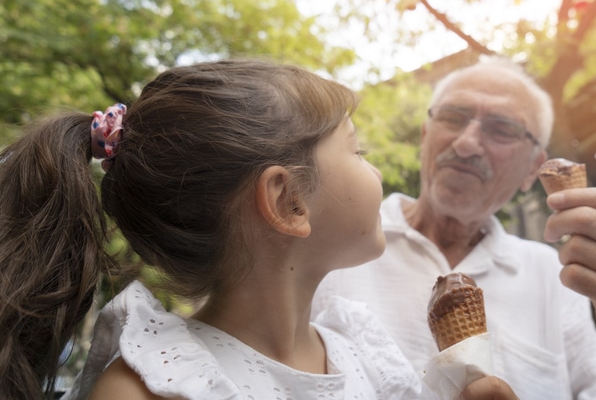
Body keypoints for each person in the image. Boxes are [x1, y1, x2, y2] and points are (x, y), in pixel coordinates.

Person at [0, 58, 518, 400]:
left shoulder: (367, 354)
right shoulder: (154, 385)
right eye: (358, 151)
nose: (378, 172)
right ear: (287, 200)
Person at [313, 56, 596, 400]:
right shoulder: (332, 246)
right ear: (426, 136)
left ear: (532, 169)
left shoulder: (554, 275)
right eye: (454, 117)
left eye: (502, 129)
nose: (466, 143)